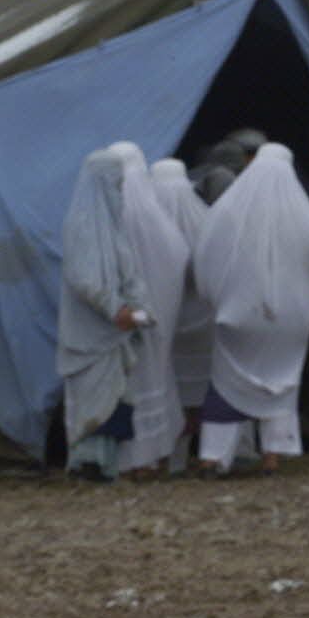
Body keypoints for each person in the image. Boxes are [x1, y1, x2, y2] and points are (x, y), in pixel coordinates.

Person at [193, 143, 309, 475]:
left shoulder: (227, 212)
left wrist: (215, 297)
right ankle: (273, 455)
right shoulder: (305, 214)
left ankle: (213, 456)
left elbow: (205, 256)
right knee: (281, 383)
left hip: (241, 313)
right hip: (292, 317)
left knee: (228, 380)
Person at [56, 149, 146, 482]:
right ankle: (86, 462)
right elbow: (85, 278)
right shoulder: (81, 225)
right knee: (91, 395)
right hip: (92, 329)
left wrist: (135, 305)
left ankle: (106, 463)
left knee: (113, 394)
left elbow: (127, 270)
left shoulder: (112, 224)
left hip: (114, 332)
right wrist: (114, 307)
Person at [108, 142, 189, 478]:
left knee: (129, 386)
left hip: (125, 320)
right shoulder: (159, 221)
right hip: (158, 321)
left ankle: (130, 460)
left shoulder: (111, 217)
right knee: (157, 376)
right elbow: (179, 258)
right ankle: (156, 456)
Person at [150, 158, 214, 472]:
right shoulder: (205, 218)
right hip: (203, 321)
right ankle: (197, 451)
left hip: (165, 322)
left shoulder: (146, 220)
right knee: (199, 390)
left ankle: (167, 457)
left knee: (166, 383)